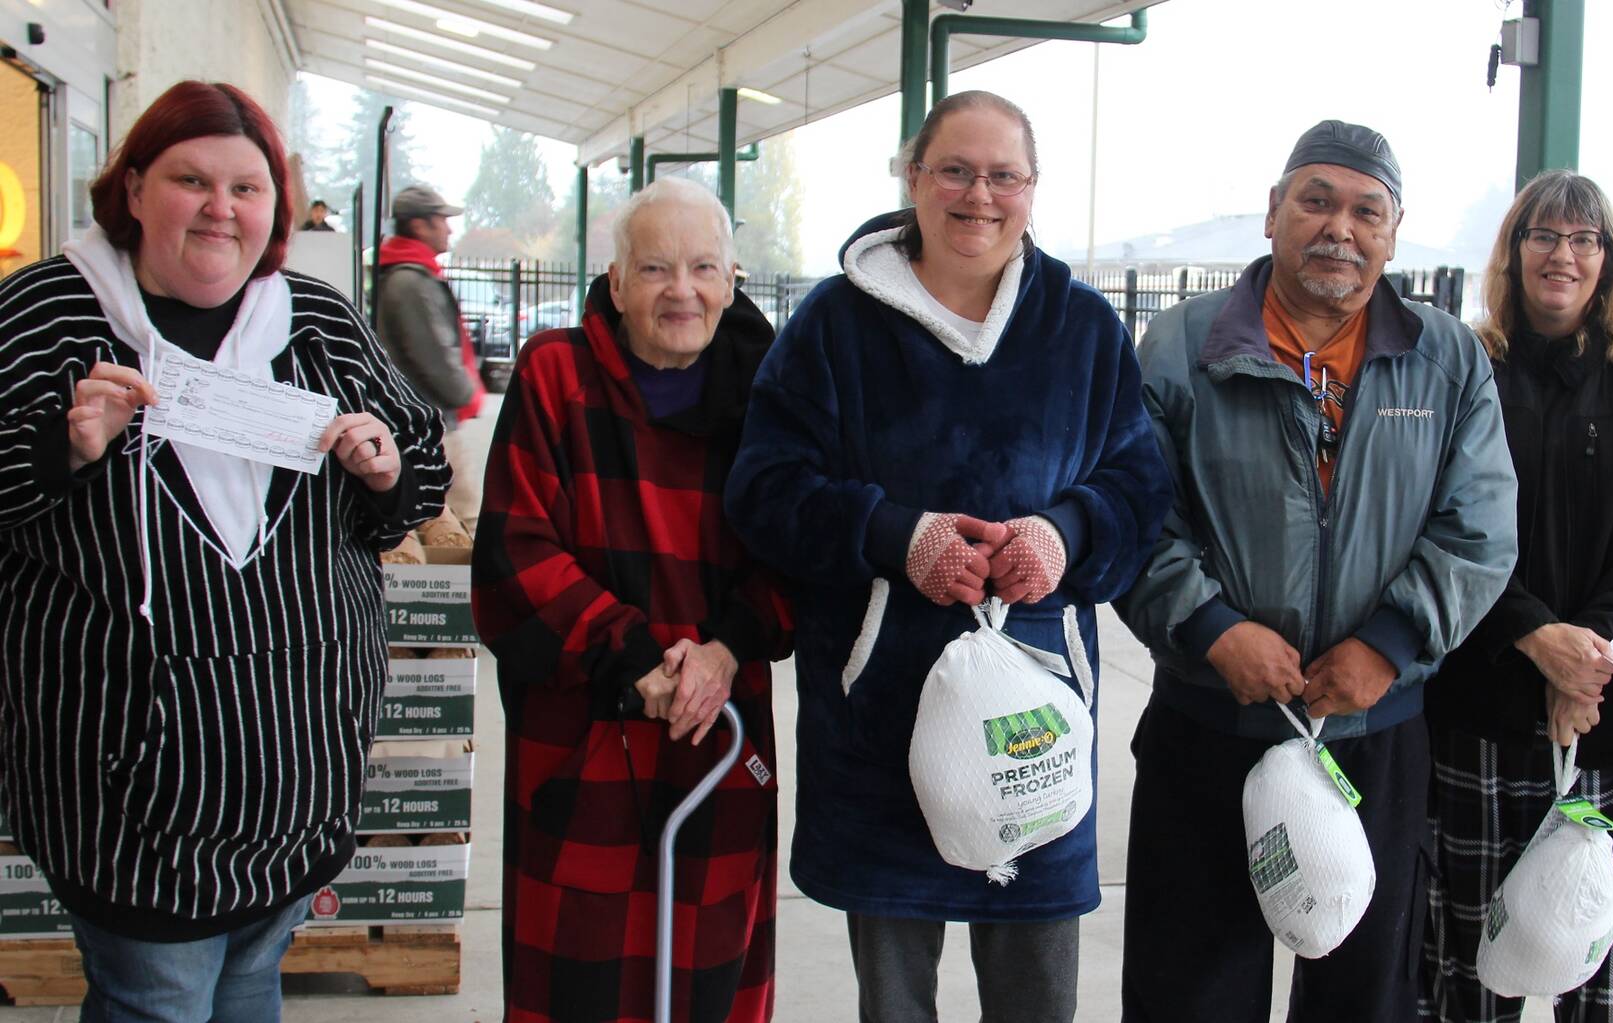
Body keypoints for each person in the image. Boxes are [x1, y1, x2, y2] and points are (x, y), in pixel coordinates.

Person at [0, 80, 448, 1021]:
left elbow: (421, 473)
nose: (221, 209)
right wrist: (64, 447)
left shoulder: (316, 323)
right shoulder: (45, 317)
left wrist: (383, 470)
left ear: (275, 208)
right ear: (130, 189)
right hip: (126, 796)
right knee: (156, 999)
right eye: (189, 179)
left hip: (297, 771)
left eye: (247, 187)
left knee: (249, 985)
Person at [724, 90, 1169, 1023]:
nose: (980, 195)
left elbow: (1140, 485)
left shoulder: (1081, 331)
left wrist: (1067, 533)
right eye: (956, 171)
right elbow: (764, 490)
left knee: (1037, 995)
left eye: (1004, 175)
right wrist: (894, 536)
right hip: (876, 718)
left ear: (1033, 189)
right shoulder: (834, 328)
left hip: (1035, 724)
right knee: (895, 1002)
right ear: (913, 177)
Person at [1113, 119, 1519, 1022]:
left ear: (1393, 231)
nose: (1340, 227)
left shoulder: (1445, 358)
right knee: (1191, 988)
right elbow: (1136, 517)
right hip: (1211, 722)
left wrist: (1391, 641)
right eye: (1317, 201)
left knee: (1361, 991)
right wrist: (1215, 629)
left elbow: (1482, 527)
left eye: (1366, 211)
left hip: (1374, 735)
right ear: (1273, 214)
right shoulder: (1182, 348)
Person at [471, 177, 791, 1023]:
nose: (679, 290)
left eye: (701, 268)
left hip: (718, 726)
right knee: (576, 976)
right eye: (653, 268)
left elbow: (800, 554)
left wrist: (724, 648)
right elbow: (514, 554)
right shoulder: (556, 374)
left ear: (731, 281)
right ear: (615, 283)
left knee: (709, 976)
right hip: (584, 730)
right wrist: (635, 653)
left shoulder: (773, 394)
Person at [1421, 170, 1613, 1022]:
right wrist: (1533, 636)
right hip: (1487, 710)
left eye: (1584, 239)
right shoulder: (1467, 365)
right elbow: (1437, 517)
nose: (1564, 254)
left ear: (1610, 259)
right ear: (1513, 254)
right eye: (1543, 236)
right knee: (1469, 976)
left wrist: (1588, 656)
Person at [375, 184, 483, 429]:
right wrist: (466, 393)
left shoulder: (411, 274)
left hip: (423, 417)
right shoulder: (410, 282)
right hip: (424, 424)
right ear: (420, 226)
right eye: (442, 220)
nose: (449, 229)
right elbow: (434, 356)